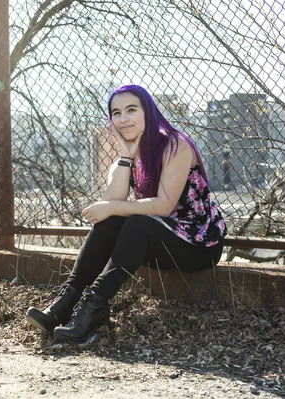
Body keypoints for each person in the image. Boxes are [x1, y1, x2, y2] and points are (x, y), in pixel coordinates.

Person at [26, 84, 227, 343]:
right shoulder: (129, 155)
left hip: (197, 246)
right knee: (119, 219)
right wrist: (125, 157)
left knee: (136, 223)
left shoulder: (176, 145)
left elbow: (163, 206)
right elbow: (112, 205)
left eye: (131, 110)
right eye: (116, 113)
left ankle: (95, 306)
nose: (123, 118)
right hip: (157, 243)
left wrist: (111, 207)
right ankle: (65, 303)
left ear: (148, 112)